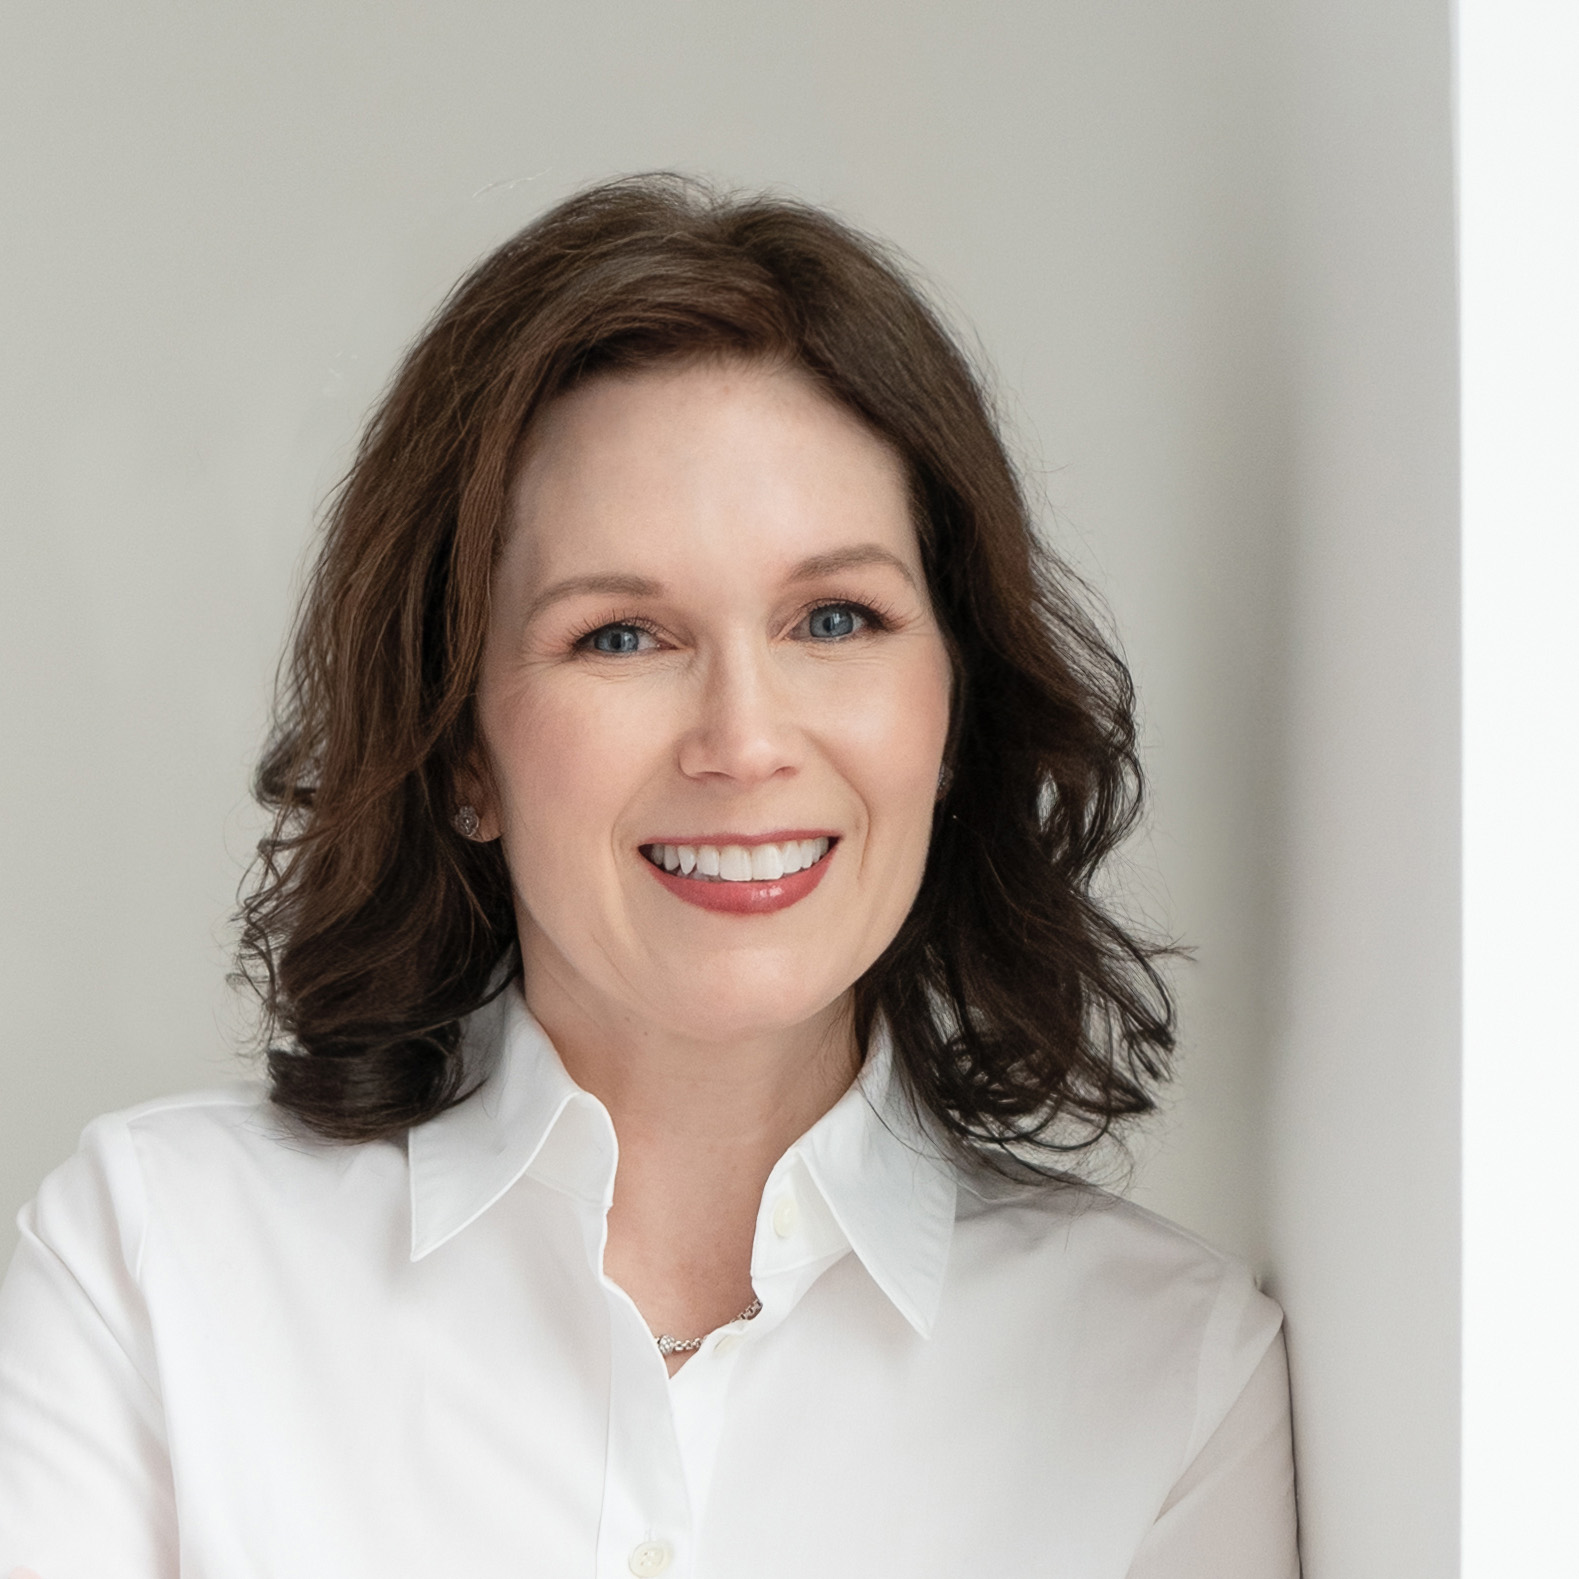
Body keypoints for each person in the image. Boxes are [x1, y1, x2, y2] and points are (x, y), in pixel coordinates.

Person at [0, 174, 1297, 1577]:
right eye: (622, 636)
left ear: (953, 716)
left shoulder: (1174, 1381)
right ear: (462, 752)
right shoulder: (154, 1267)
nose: (744, 741)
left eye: (836, 618)